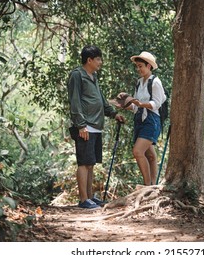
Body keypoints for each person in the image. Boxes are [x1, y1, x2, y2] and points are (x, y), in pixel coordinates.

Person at [68, 45, 125, 209]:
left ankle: (90, 197)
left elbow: (101, 100)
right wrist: (80, 125)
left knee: (90, 163)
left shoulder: (93, 77)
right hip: (85, 126)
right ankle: (83, 199)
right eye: (98, 59)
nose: (101, 62)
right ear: (89, 60)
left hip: (95, 125)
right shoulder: (77, 75)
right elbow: (75, 101)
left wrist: (114, 114)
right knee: (83, 163)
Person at [126, 51, 167, 186]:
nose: (138, 69)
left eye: (140, 66)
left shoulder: (155, 82)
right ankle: (153, 185)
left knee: (138, 151)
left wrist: (140, 104)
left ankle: (147, 185)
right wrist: (125, 104)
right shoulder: (139, 83)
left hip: (151, 120)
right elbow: (135, 106)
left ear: (149, 66)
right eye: (137, 66)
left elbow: (157, 103)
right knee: (150, 155)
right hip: (139, 120)